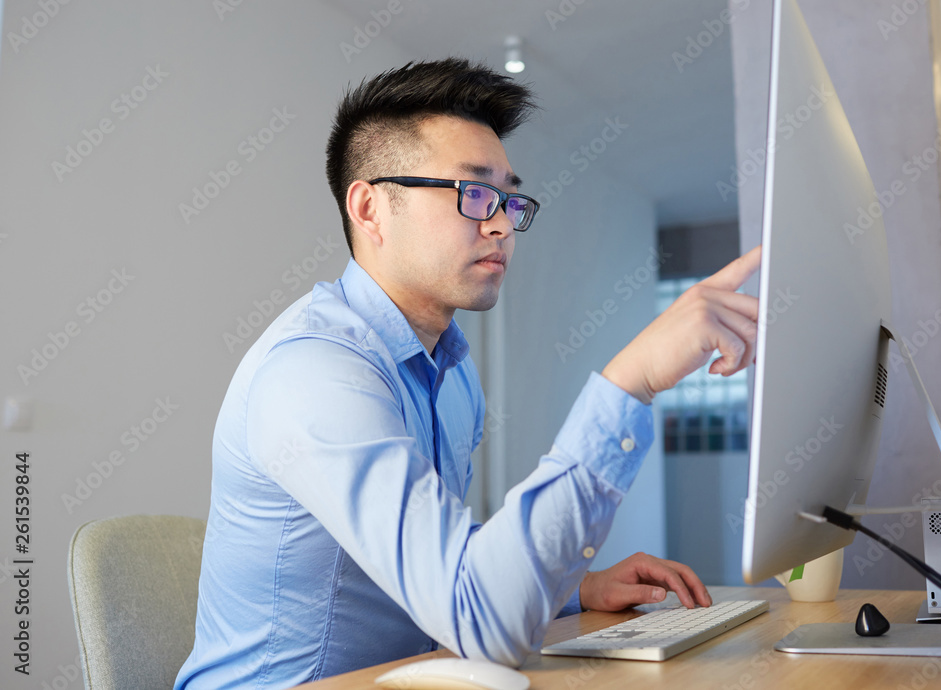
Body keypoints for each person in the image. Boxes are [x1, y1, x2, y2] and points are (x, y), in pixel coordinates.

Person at [175, 58, 760, 688]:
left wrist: (579, 588)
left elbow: (435, 553)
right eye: (474, 193)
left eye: (508, 197)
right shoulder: (314, 374)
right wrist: (630, 381)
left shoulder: (452, 371)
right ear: (370, 208)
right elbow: (476, 619)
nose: (502, 223)